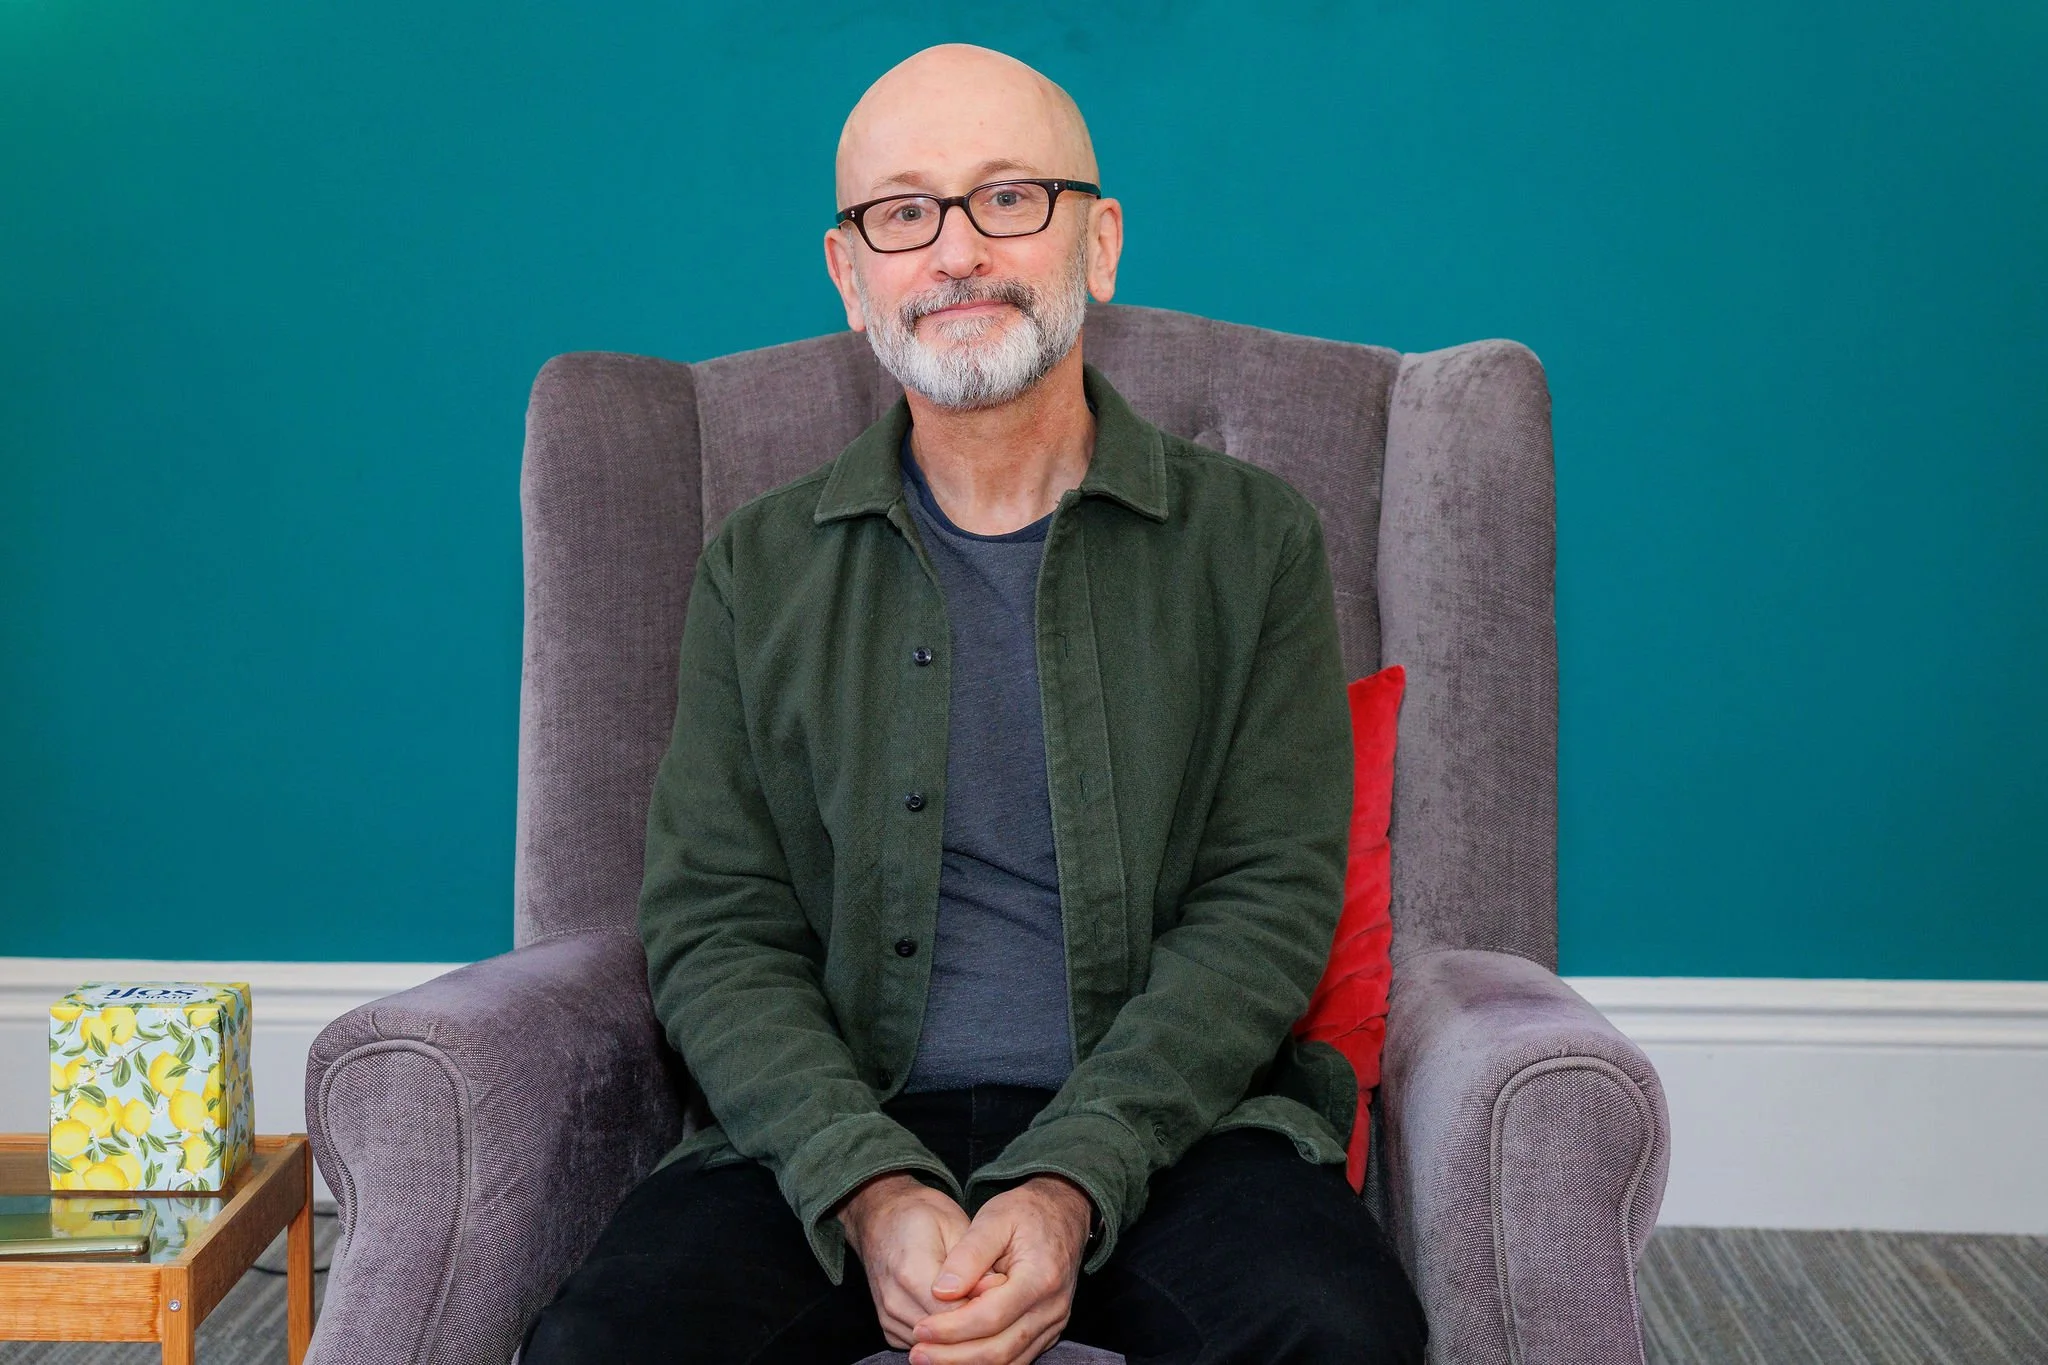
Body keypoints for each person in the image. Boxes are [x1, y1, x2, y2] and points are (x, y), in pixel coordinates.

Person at [520, 42, 1427, 1365]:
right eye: (903, 211)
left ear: (1097, 243)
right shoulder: (753, 569)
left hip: (1174, 1130)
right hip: (835, 1129)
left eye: (1009, 197)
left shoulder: (1254, 542)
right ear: (850, 274)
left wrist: (1067, 1184)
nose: (955, 252)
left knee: (1341, 1339)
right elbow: (716, 926)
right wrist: (868, 1188)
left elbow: (1266, 905)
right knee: (597, 1350)